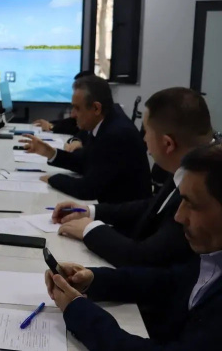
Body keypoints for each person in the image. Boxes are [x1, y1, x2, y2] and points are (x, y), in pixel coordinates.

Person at [45, 143, 222, 350]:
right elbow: (169, 282)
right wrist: (93, 280)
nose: (179, 216)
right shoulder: (212, 255)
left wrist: (79, 311)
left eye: (193, 205)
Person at [50, 88, 213, 267]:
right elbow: (152, 206)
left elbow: (144, 258)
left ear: (168, 144)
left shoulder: (202, 189)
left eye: (146, 131)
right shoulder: (191, 164)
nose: (144, 139)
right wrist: (90, 211)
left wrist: (89, 229)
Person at [21, 75, 151, 203]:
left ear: (96, 108)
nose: (73, 114)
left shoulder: (115, 134)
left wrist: (52, 179)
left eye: (77, 108)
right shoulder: (107, 119)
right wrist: (50, 153)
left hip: (125, 213)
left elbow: (87, 189)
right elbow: (86, 162)